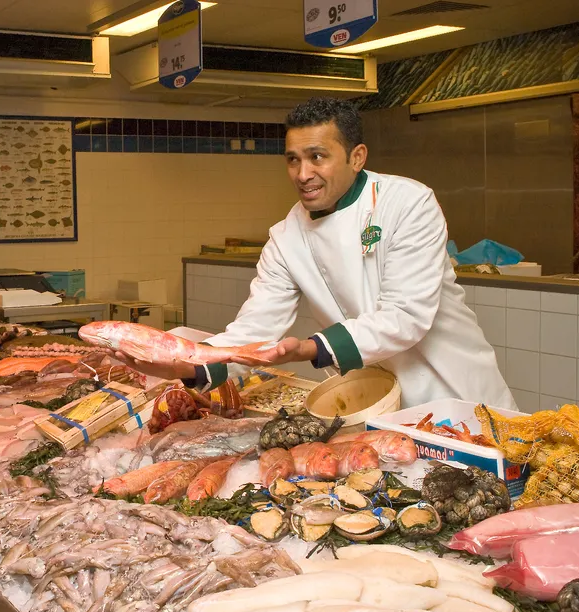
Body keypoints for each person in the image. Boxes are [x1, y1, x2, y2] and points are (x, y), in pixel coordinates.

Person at [115, 97, 515, 410]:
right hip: (372, 399)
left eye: (317, 157)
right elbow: (253, 332)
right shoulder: (286, 236)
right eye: (293, 159)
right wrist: (187, 366)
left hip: (453, 394)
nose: (303, 174)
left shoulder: (407, 203)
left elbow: (405, 316)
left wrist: (309, 349)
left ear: (356, 157)